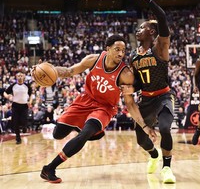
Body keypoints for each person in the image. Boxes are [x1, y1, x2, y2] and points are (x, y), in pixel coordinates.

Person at [35, 35, 157, 183]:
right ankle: (94, 132)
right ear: (107, 49)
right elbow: (69, 71)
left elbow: (130, 104)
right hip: (85, 100)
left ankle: (49, 168)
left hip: (104, 108)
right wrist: (50, 69)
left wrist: (144, 126)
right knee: (57, 134)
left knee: (83, 135)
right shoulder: (93, 59)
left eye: (123, 51)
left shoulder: (125, 74)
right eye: (117, 49)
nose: (120, 54)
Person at [125, 0, 176, 184]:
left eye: (142, 27)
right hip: (145, 99)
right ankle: (154, 155)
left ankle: (166, 168)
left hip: (164, 96)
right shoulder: (133, 57)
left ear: (152, 32)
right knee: (140, 139)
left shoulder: (160, 48)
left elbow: (162, 17)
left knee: (165, 128)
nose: (138, 30)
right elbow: (137, 83)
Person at [4, 72, 33, 144]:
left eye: (21, 76)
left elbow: (31, 94)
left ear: (23, 77)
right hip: (15, 105)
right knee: (15, 122)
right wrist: (7, 96)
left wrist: (30, 101)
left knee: (24, 121)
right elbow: (5, 92)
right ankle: (18, 138)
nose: (20, 77)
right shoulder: (13, 85)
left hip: (24, 106)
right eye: (18, 76)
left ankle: (24, 127)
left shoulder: (27, 86)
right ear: (16, 77)